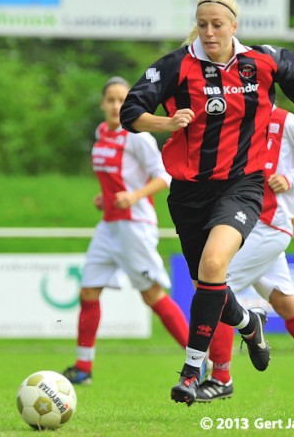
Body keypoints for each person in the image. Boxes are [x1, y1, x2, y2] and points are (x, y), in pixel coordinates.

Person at [120, 0, 294, 406]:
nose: (209, 32)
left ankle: (191, 372)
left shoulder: (262, 61)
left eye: (217, 24)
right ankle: (248, 323)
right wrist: (166, 122)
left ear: (234, 25)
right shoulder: (176, 66)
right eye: (202, 25)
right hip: (188, 192)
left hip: (241, 186)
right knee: (209, 282)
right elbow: (130, 113)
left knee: (214, 263)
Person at [199, 106, 294, 406]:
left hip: (269, 227)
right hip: (241, 224)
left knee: (214, 286)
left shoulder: (285, 121)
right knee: (286, 304)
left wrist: (291, 177)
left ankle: (220, 378)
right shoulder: (234, 116)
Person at [63, 76, 189, 385]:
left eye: (122, 100)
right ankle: (83, 367)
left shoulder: (138, 135)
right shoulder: (101, 133)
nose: (116, 105)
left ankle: (200, 360)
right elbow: (113, 178)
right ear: (102, 104)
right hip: (109, 226)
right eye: (111, 100)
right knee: (88, 292)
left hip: (135, 226)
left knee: (152, 296)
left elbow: (165, 177)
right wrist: (103, 197)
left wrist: (133, 196)